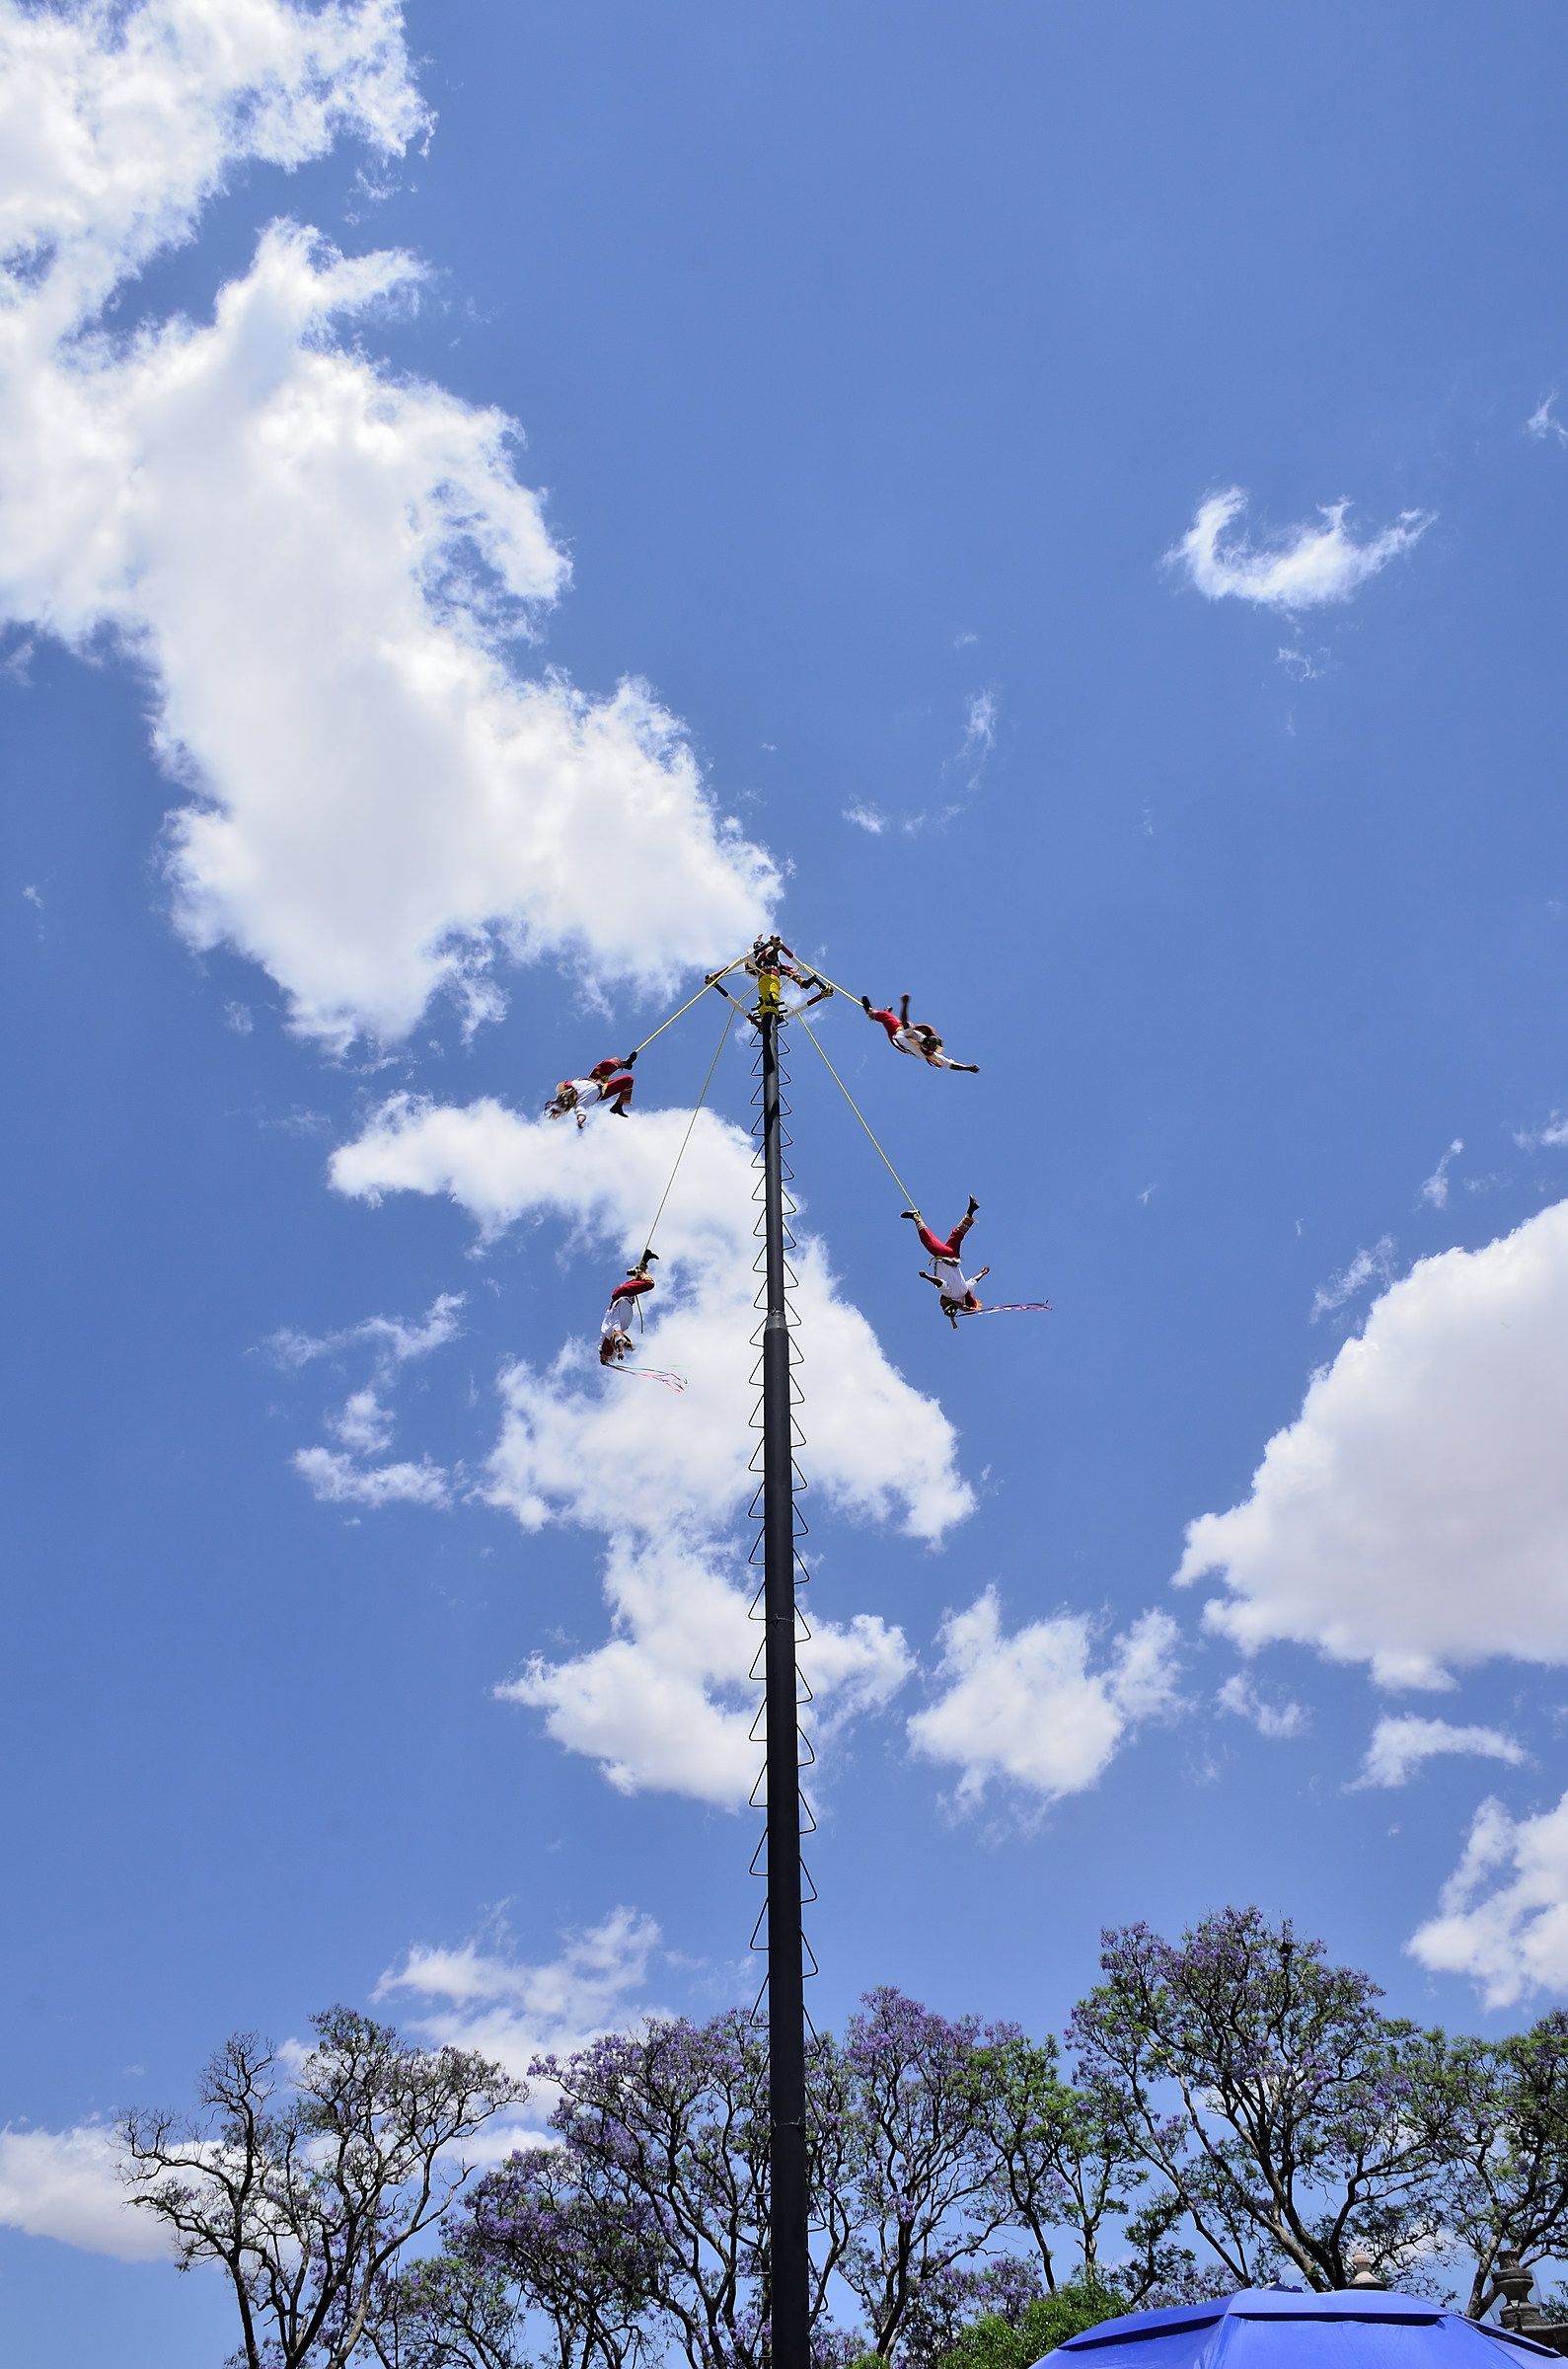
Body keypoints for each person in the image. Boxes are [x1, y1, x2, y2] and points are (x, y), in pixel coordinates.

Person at [903, 1198, 989, 1324]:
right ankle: (916, 1216)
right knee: (928, 1241)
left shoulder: (964, 1293)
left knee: (957, 1235)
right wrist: (926, 1276)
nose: (940, 1302)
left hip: (954, 1256)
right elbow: (940, 1283)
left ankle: (971, 1210)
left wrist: (983, 1273)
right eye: (942, 1304)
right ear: (948, 1302)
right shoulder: (949, 1293)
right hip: (944, 1256)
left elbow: (973, 1281)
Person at [861, 994, 978, 1072]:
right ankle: (885, 1014)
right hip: (902, 1030)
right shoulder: (920, 1037)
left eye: (930, 1045)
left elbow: (949, 1065)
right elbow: (905, 1024)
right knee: (905, 1024)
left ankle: (870, 1012)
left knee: (885, 1016)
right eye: (930, 1042)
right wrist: (968, 1068)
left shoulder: (930, 1055)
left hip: (897, 1036)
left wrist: (905, 1004)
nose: (927, 1045)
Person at [546, 1049, 638, 1127]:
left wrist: (551, 1105)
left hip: (594, 1079)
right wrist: (580, 1121)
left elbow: (555, 1101)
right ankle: (618, 1105)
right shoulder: (580, 1104)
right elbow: (581, 1114)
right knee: (628, 1079)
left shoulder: (568, 1086)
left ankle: (625, 1064)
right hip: (603, 1090)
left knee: (608, 1063)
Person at [599, 1252, 658, 1365]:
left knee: (649, 1283)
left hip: (621, 1295)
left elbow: (618, 1339)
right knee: (639, 1280)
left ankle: (638, 1271)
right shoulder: (611, 1331)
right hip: (626, 1295)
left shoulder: (610, 1331)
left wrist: (620, 1351)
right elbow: (619, 1340)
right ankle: (645, 1258)